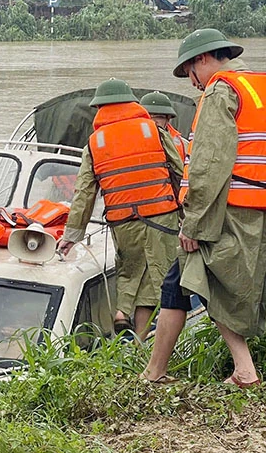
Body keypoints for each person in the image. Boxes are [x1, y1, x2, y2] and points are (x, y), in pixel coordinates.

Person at [140, 29, 266, 388]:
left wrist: (193, 223)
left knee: (205, 281)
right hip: (264, 207)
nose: (192, 84)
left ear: (202, 60)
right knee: (181, 283)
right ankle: (156, 371)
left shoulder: (221, 91)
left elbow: (209, 164)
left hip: (228, 210)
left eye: (189, 73)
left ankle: (242, 370)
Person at [58, 79, 184, 336]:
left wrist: (72, 236)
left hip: (123, 221)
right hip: (161, 217)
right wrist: (188, 213)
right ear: (131, 104)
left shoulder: (94, 144)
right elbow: (180, 172)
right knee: (162, 279)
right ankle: (151, 343)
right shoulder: (154, 130)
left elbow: (84, 193)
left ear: (100, 109)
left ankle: (122, 313)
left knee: (129, 271)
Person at [140, 91, 188, 165]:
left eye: (159, 117)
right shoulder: (130, 142)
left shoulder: (184, 145)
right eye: (147, 117)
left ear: (168, 119)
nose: (153, 121)